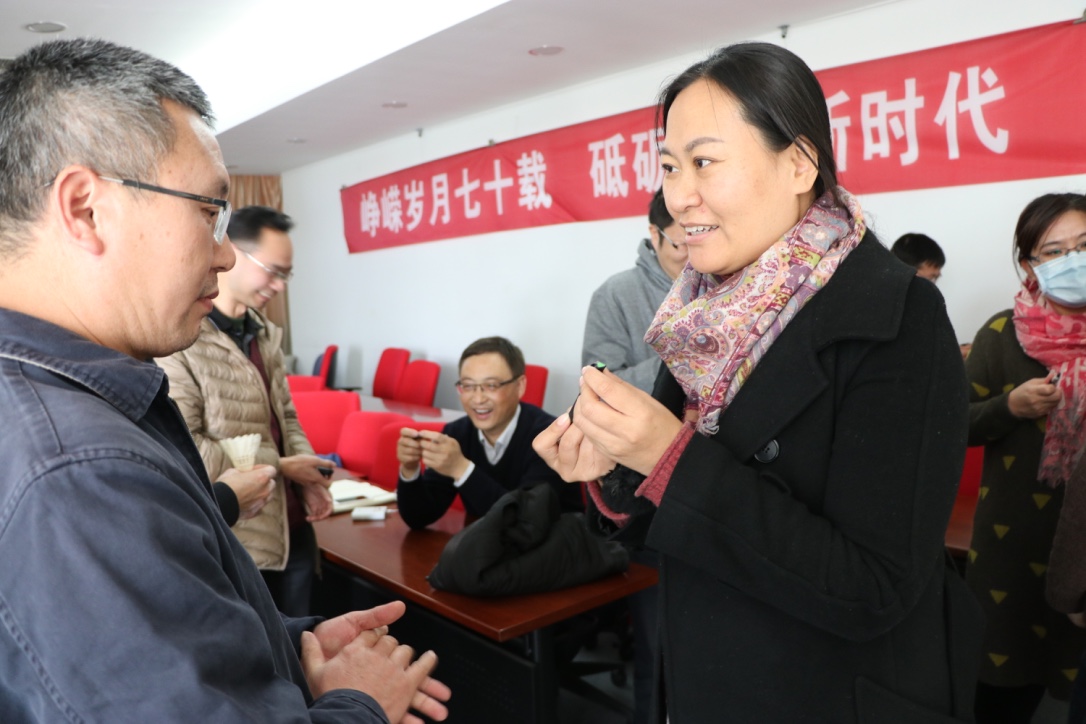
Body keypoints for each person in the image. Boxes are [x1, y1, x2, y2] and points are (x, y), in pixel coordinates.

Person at [0, 38, 448, 722]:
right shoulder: (80, 471)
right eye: (208, 212)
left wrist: (287, 651)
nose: (224, 255)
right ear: (86, 209)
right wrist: (364, 703)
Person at [534, 42, 980, 723]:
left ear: (799, 163)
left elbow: (873, 585)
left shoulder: (897, 316)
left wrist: (668, 458)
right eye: (669, 166)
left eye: (705, 162)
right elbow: (675, 518)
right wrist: (618, 471)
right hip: (708, 675)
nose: (679, 196)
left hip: (826, 693)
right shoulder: (702, 314)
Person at [157, 205, 333, 617]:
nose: (280, 286)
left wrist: (308, 476)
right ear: (230, 251)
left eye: (287, 275)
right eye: (273, 271)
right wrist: (284, 467)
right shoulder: (182, 338)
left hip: (291, 527)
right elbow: (188, 446)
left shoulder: (263, 331)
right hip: (240, 534)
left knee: (305, 640)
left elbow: (285, 414)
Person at [964, 192, 1086, 723]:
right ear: (1030, 264)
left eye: (1084, 245)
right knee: (1001, 697)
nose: (1072, 261)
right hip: (1011, 552)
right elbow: (952, 426)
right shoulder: (1001, 334)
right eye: (1054, 251)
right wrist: (1007, 407)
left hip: (1083, 554)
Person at [396, 336, 582, 529]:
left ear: (520, 386)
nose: (478, 399)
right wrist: (410, 469)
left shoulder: (550, 438)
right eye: (468, 386)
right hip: (489, 543)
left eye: (491, 385)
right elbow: (419, 517)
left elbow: (525, 522)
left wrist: (462, 469)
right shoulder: (456, 433)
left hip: (557, 544)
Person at [582, 187, 689, 392]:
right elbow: (598, 376)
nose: (693, 257)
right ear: (655, 235)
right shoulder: (613, 295)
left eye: (700, 240)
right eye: (682, 245)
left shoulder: (724, 283)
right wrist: (680, 363)